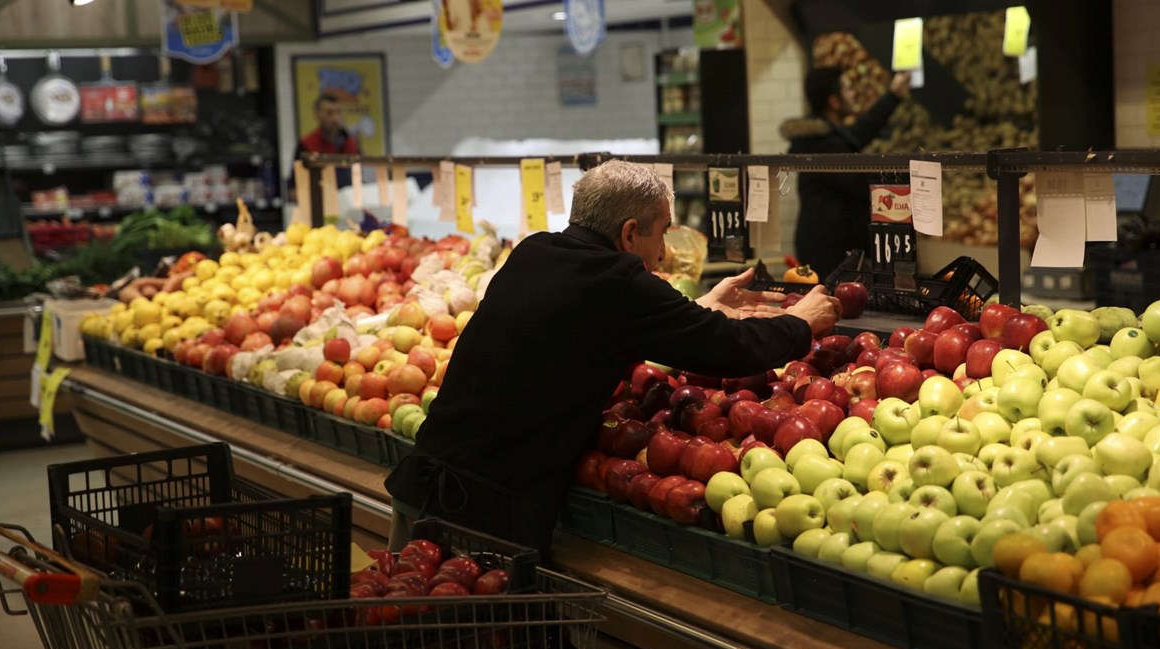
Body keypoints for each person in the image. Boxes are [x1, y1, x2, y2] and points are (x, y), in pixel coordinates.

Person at [384, 161, 841, 556]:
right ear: (628, 233)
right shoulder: (617, 282)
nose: (662, 252)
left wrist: (698, 309)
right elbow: (725, 349)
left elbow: (595, 324)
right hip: (479, 516)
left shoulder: (535, 253)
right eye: (661, 233)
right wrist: (801, 322)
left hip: (422, 485)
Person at [783, 67, 911, 278]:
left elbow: (859, 133)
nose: (853, 94)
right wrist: (909, 180)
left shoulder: (826, 136)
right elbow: (860, 182)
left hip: (829, 245)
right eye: (848, 89)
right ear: (834, 101)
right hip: (829, 252)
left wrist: (893, 95)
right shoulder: (824, 144)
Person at [292, 93, 360, 188]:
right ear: (318, 115)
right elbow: (294, 188)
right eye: (329, 113)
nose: (335, 119)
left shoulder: (350, 142)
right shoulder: (306, 145)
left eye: (338, 112)